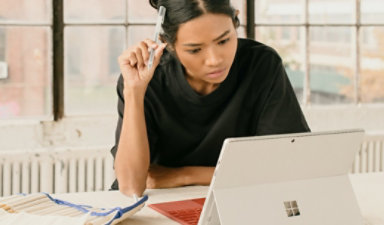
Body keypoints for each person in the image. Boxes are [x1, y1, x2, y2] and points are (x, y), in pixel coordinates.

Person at [111, 0, 310, 197]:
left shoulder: (261, 64)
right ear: (168, 44)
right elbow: (131, 186)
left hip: (230, 198)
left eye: (223, 40)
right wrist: (134, 91)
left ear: (235, 22)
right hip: (158, 204)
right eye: (195, 49)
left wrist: (184, 175)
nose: (215, 60)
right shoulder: (145, 78)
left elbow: (287, 167)